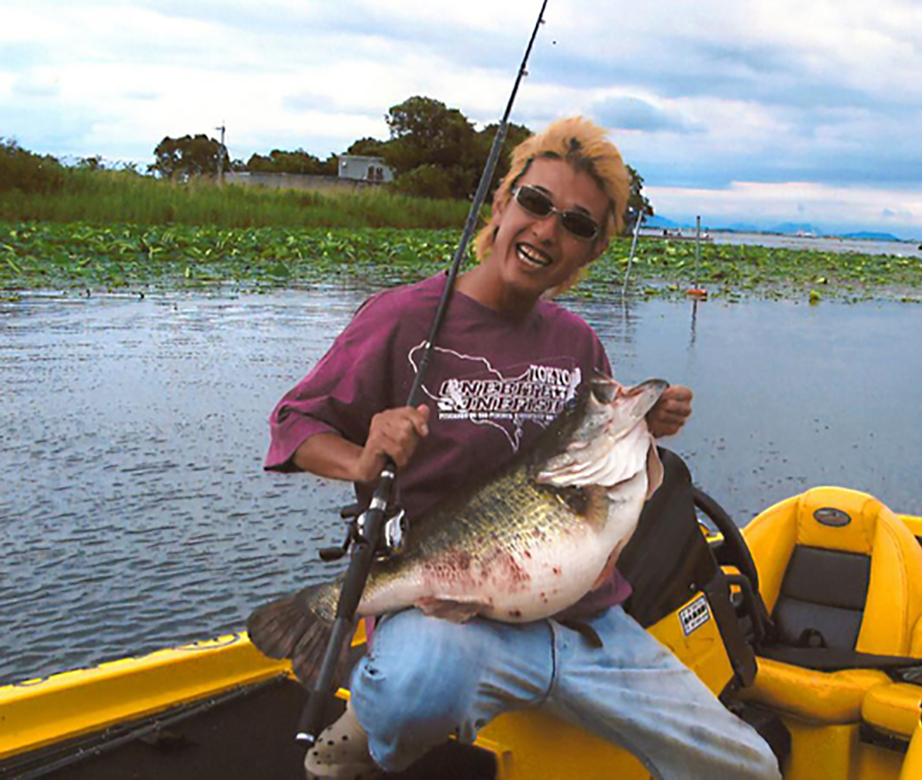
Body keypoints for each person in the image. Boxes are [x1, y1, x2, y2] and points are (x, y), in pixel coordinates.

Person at [265, 117, 780, 780]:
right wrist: (361, 459)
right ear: (502, 203)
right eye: (535, 204)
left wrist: (642, 429)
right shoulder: (402, 319)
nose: (546, 231)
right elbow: (294, 423)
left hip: (589, 626)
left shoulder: (577, 344)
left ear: (590, 253)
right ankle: (364, 731)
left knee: (749, 768)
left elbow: (611, 475)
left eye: (577, 224)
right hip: (447, 617)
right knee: (411, 690)